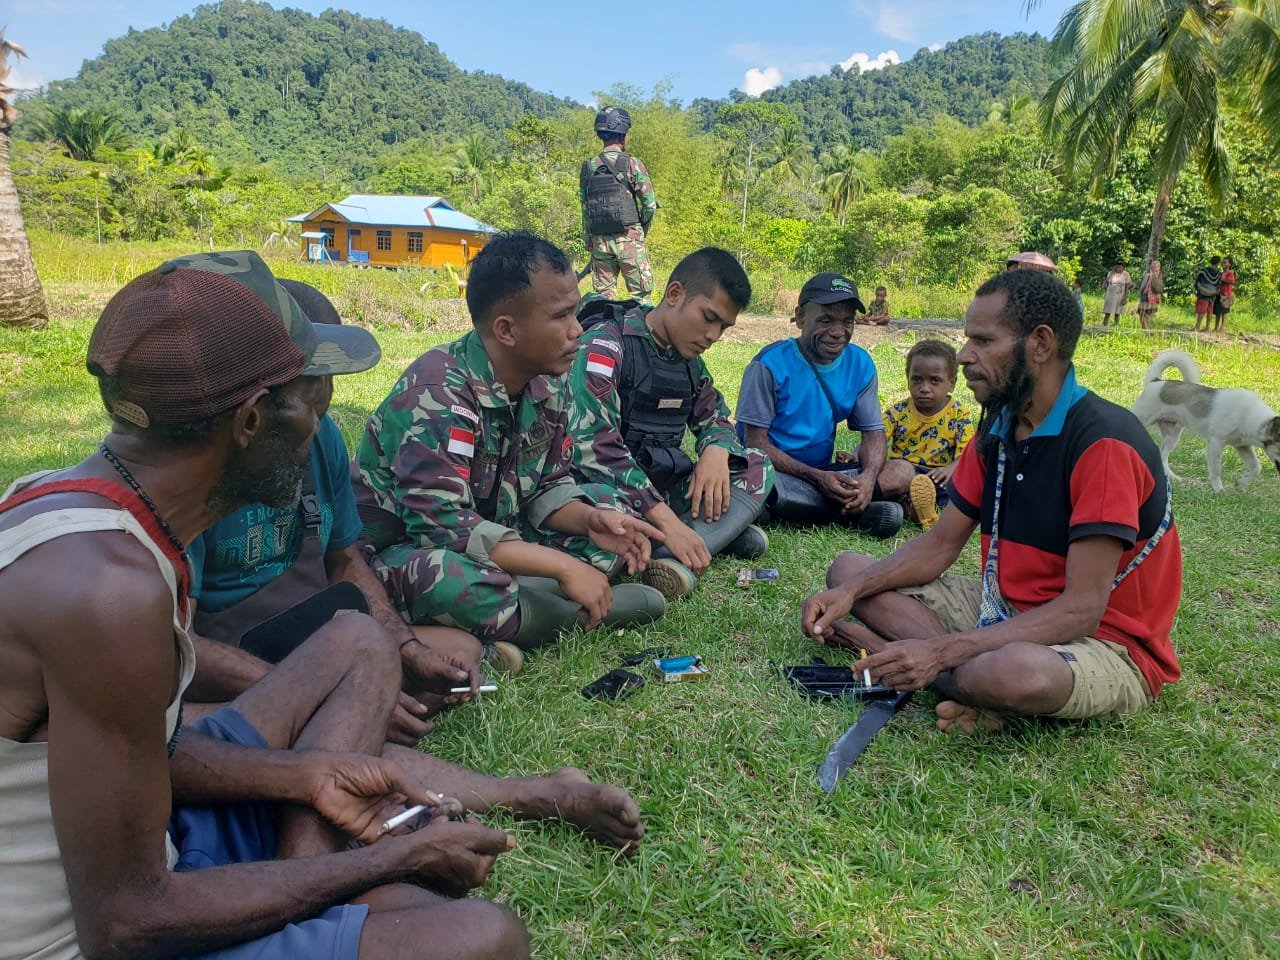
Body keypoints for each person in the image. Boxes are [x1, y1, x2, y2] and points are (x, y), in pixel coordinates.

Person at [0, 251, 533, 960]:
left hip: (130, 841)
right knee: (483, 938)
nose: (319, 421)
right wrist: (380, 862)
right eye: (307, 396)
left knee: (356, 642)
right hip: (87, 932)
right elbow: (126, 924)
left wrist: (309, 775)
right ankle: (309, 885)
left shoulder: (69, 504)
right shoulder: (110, 594)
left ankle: (299, 877)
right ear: (252, 420)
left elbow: (128, 752)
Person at [802, 268, 1182, 735]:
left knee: (1009, 672)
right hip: (1001, 608)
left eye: (982, 341)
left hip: (1102, 639)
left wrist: (940, 651)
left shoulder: (1102, 443)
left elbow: (1082, 609)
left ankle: (928, 667)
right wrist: (850, 594)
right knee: (847, 571)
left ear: (1040, 344)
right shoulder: (996, 430)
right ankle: (953, 679)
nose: (964, 356)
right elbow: (937, 546)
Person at [185, 279, 486, 747]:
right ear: (255, 404)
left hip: (313, 632)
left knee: (456, 652)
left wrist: (405, 649)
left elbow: (344, 560)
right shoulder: (192, 476)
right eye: (309, 390)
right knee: (190, 728)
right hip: (233, 652)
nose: (320, 411)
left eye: (326, 383)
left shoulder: (319, 435)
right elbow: (175, 649)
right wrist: (314, 691)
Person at [353, 232, 667, 653]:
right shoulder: (437, 393)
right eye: (562, 316)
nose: (578, 331)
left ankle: (514, 613)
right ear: (506, 330)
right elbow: (441, 527)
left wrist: (591, 521)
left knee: (606, 506)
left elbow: (548, 486)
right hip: (402, 554)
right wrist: (561, 566)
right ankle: (565, 614)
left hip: (497, 538)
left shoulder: (547, 384)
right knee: (441, 578)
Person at [568, 247, 774, 600]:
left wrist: (716, 451)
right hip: (607, 492)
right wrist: (665, 520)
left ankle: (673, 551)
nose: (713, 335)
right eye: (708, 317)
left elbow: (718, 419)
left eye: (723, 326)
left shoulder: (689, 364)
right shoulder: (606, 346)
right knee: (604, 515)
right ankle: (703, 538)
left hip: (659, 490)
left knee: (755, 465)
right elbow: (597, 450)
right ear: (675, 294)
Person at [735, 272, 904, 538]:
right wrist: (815, 478)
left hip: (825, 475)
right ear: (800, 317)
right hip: (775, 471)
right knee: (758, 484)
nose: (838, 332)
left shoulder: (860, 364)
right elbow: (755, 444)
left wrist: (868, 480)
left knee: (902, 471)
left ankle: (807, 509)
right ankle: (844, 512)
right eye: (825, 320)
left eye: (847, 322)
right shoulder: (768, 364)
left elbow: (873, 434)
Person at [875, 340, 974, 531]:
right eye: (917, 379)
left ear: (951, 383)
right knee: (892, 480)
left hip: (938, 475)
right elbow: (876, 439)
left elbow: (967, 452)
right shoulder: (898, 411)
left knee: (954, 492)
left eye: (934, 380)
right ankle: (911, 506)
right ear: (907, 378)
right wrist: (855, 454)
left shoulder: (958, 413)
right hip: (905, 471)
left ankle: (918, 508)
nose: (925, 387)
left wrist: (951, 469)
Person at [580, 106, 657, 302]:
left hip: (600, 243)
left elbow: (585, 209)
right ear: (623, 135)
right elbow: (649, 205)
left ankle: (601, 332)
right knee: (641, 299)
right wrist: (641, 229)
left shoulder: (588, 167)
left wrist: (589, 242)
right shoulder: (633, 164)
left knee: (602, 300)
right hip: (629, 240)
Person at [1193, 256, 1223, 332]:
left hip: (1204, 293)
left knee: (1201, 310)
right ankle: (1207, 328)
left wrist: (1200, 289)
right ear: (1218, 263)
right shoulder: (1219, 274)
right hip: (1213, 294)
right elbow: (1219, 284)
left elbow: (1198, 281)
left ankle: (1197, 327)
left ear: (1211, 261)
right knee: (1210, 310)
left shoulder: (1204, 271)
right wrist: (1215, 291)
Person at [1101, 260, 1132, 326]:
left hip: (1120, 295)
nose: (1119, 269)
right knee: (1107, 312)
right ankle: (1105, 326)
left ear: (1123, 268)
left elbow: (1127, 286)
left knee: (1117, 313)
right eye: (1117, 267)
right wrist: (1113, 272)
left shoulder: (1126, 274)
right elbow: (1107, 282)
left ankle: (1116, 326)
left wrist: (1125, 297)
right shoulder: (1110, 273)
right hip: (1110, 295)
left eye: (1120, 267)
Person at [1136, 260, 1163, 330]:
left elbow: (1142, 287)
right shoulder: (1159, 275)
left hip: (1146, 296)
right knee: (1148, 315)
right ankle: (1147, 329)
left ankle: (1145, 330)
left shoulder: (1148, 275)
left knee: (1142, 314)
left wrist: (1139, 293)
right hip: (1154, 298)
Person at [1213, 256, 1236, 332]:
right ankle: (1216, 327)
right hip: (1219, 294)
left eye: (1225, 262)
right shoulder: (1221, 273)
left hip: (1226, 295)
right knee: (1217, 311)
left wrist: (1223, 279)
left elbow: (1232, 281)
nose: (1223, 263)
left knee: (1224, 311)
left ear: (1229, 264)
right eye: (1223, 262)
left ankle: (1223, 327)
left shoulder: (1230, 273)